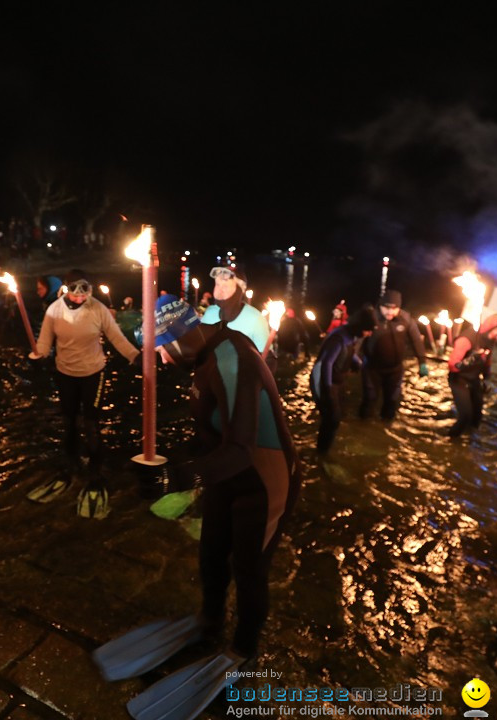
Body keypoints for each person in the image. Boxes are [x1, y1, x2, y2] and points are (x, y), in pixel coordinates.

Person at [93, 295, 300, 718]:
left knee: (248, 568)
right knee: (211, 552)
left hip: (263, 480)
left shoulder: (233, 359)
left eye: (163, 350)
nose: (163, 361)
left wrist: (179, 477)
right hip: (228, 472)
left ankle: (243, 648)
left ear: (183, 336)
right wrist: (170, 461)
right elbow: (212, 433)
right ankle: (209, 620)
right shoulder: (203, 355)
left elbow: (241, 449)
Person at [29, 269, 139, 517]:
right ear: (66, 289)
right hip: (65, 373)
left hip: (93, 373)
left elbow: (116, 337)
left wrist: (135, 356)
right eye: (74, 289)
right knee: (68, 422)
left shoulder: (98, 309)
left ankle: (96, 473)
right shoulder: (54, 310)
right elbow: (45, 342)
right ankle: (70, 464)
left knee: (91, 423)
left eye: (85, 289)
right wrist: (38, 355)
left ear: (90, 289)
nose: (79, 296)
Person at [311, 305, 376, 459]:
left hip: (336, 381)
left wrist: (358, 363)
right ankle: (321, 454)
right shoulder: (338, 338)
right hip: (325, 381)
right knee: (331, 419)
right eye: (368, 329)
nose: (369, 333)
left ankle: (325, 450)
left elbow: (349, 352)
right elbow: (327, 363)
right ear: (360, 327)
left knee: (337, 417)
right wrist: (326, 388)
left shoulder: (350, 336)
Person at [359, 290, 429, 420]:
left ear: (399, 308)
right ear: (380, 305)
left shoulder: (405, 319)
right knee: (370, 398)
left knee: (391, 401)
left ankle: (385, 429)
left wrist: (422, 362)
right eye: (386, 307)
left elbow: (416, 340)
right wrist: (353, 360)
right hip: (372, 368)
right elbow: (357, 340)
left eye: (394, 308)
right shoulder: (371, 317)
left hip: (395, 369)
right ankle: (363, 428)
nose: (390, 312)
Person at [446, 313, 497, 438]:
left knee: (477, 416)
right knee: (465, 415)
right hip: (459, 379)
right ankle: (450, 440)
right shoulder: (468, 338)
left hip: (473, 379)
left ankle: (469, 441)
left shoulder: (491, 340)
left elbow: (487, 362)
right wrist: (469, 360)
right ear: (491, 327)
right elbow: (453, 365)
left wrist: (487, 378)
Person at [199, 265, 270, 353]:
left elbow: (267, 358)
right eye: (217, 284)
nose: (219, 290)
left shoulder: (256, 320)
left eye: (225, 286)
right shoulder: (210, 313)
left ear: (238, 291)